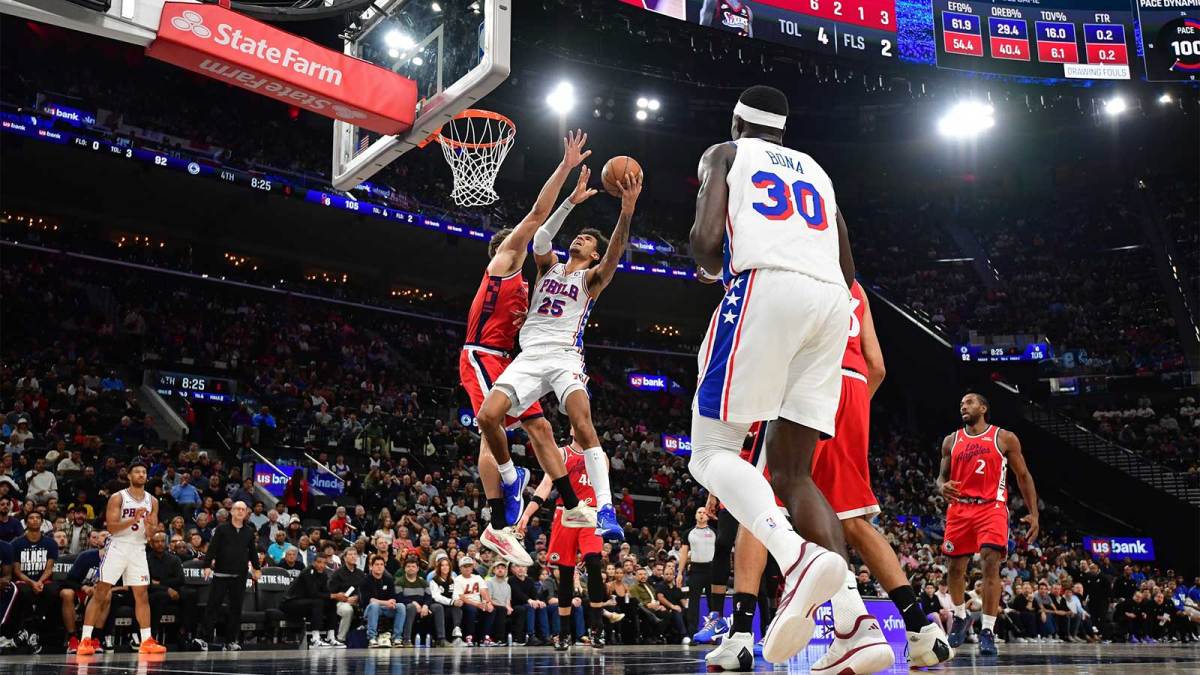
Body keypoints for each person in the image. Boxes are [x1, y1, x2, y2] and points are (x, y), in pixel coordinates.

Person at [686, 84, 854, 665]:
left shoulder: (725, 154)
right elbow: (848, 267)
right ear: (783, 131)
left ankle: (794, 554)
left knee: (708, 453)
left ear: (737, 123)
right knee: (791, 473)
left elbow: (707, 247)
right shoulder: (819, 171)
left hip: (767, 287)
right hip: (834, 305)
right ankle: (855, 628)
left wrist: (715, 268)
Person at [475, 148, 644, 546]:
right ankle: (512, 479)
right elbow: (543, 236)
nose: (580, 238)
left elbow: (616, 250)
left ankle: (605, 507)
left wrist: (627, 211)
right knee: (487, 417)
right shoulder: (548, 266)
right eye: (580, 235)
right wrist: (570, 200)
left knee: (582, 425)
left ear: (595, 255)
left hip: (565, 356)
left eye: (587, 239)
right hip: (529, 357)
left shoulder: (592, 280)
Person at [458, 131, 599, 567]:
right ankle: (499, 519)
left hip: (517, 362)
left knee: (541, 431)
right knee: (489, 425)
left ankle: (572, 501)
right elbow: (538, 217)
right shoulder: (504, 263)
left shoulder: (531, 284)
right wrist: (565, 168)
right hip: (482, 354)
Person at [939, 392, 1039, 656]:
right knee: (955, 567)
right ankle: (960, 616)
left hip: (991, 506)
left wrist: (1034, 513)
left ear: (983, 407)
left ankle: (988, 630)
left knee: (990, 562)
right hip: (959, 508)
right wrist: (942, 487)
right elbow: (941, 478)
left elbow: (1023, 475)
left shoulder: (1004, 437)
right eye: (961, 403)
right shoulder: (951, 440)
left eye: (969, 402)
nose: (963, 406)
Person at [516, 430, 609, 650]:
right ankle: (564, 632)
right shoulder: (561, 453)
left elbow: (604, 489)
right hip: (565, 515)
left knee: (595, 563)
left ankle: (596, 628)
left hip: (591, 513)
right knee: (565, 573)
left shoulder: (599, 455)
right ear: (570, 430)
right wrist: (528, 514)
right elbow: (546, 485)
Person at [77, 463, 167, 655]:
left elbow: (150, 535)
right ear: (129, 476)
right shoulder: (118, 497)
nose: (141, 475)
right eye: (137, 472)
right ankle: (85, 640)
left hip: (138, 549)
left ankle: (146, 640)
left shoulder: (153, 501)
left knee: (142, 595)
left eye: (144, 472)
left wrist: (151, 526)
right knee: (101, 592)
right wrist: (133, 519)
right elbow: (111, 528)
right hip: (117, 546)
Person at [195, 500, 261, 651]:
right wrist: (206, 565)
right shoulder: (222, 529)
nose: (239, 511)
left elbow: (252, 551)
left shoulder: (249, 531)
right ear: (231, 511)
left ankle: (230, 641)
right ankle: (204, 638)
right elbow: (212, 548)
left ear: (246, 514)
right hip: (221, 574)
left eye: (243, 509)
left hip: (240, 575)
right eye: (237, 509)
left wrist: (257, 568)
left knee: (236, 609)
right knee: (213, 606)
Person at [280, 553, 343, 648]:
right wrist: (333, 595)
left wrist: (335, 596)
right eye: (319, 562)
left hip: (306, 602)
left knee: (331, 601)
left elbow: (326, 592)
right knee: (318, 602)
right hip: (290, 602)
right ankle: (315, 639)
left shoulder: (323, 574)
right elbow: (313, 593)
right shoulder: (307, 572)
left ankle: (331, 636)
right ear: (313, 562)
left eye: (324, 563)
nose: (322, 565)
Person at [12, 512, 59, 639]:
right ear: (26, 522)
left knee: (53, 590)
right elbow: (17, 571)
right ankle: (30, 625)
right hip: (23, 581)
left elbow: (49, 569)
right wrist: (32, 583)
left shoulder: (50, 543)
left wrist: (39, 582)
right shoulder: (16, 543)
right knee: (25, 591)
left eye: (38, 518)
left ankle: (36, 621)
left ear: (42, 522)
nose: (35, 520)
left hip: (43, 580)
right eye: (31, 518)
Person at [678, 506, 718, 638]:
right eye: (699, 512)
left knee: (713, 603)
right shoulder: (688, 533)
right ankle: (692, 633)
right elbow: (683, 554)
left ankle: (714, 634)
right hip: (696, 570)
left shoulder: (714, 532)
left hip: (712, 570)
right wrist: (679, 573)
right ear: (695, 515)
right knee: (693, 603)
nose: (701, 515)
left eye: (704, 513)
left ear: (708, 516)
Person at [62, 534, 104, 653]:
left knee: (107, 594)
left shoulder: (117, 561)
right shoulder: (87, 556)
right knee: (66, 593)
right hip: (79, 589)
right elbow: (69, 580)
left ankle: (96, 638)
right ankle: (72, 638)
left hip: (98, 593)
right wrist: (83, 587)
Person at [396, 555, 444, 646]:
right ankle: (407, 639)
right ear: (404, 568)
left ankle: (441, 639)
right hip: (408, 606)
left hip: (423, 606)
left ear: (418, 568)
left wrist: (425, 606)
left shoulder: (423, 582)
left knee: (438, 607)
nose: (411, 568)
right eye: (408, 566)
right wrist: (413, 603)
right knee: (411, 607)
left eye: (413, 566)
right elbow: (399, 598)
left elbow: (429, 597)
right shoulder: (399, 582)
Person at [363, 554, 403, 648]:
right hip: (369, 610)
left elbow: (393, 596)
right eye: (377, 564)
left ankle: (397, 637)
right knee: (374, 606)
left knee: (401, 606)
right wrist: (386, 603)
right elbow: (370, 600)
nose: (379, 567)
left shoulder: (389, 579)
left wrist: (392, 602)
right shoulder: (365, 580)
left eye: (381, 564)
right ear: (371, 566)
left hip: (386, 608)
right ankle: (372, 637)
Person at [451, 556, 493, 646]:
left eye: (469, 566)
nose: (467, 568)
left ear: (472, 567)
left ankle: (485, 637)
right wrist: (477, 604)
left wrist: (488, 603)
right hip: (466, 603)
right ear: (460, 568)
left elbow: (484, 591)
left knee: (491, 610)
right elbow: (461, 597)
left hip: (478, 603)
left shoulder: (477, 577)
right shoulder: (458, 579)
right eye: (465, 566)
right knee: (471, 610)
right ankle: (469, 636)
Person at [329, 547, 363, 645]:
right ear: (344, 557)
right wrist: (345, 599)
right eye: (350, 554)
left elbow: (365, 590)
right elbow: (332, 592)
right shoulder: (337, 574)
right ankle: (341, 638)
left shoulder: (360, 574)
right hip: (341, 602)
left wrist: (357, 598)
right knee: (347, 610)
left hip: (357, 602)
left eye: (355, 554)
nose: (353, 556)